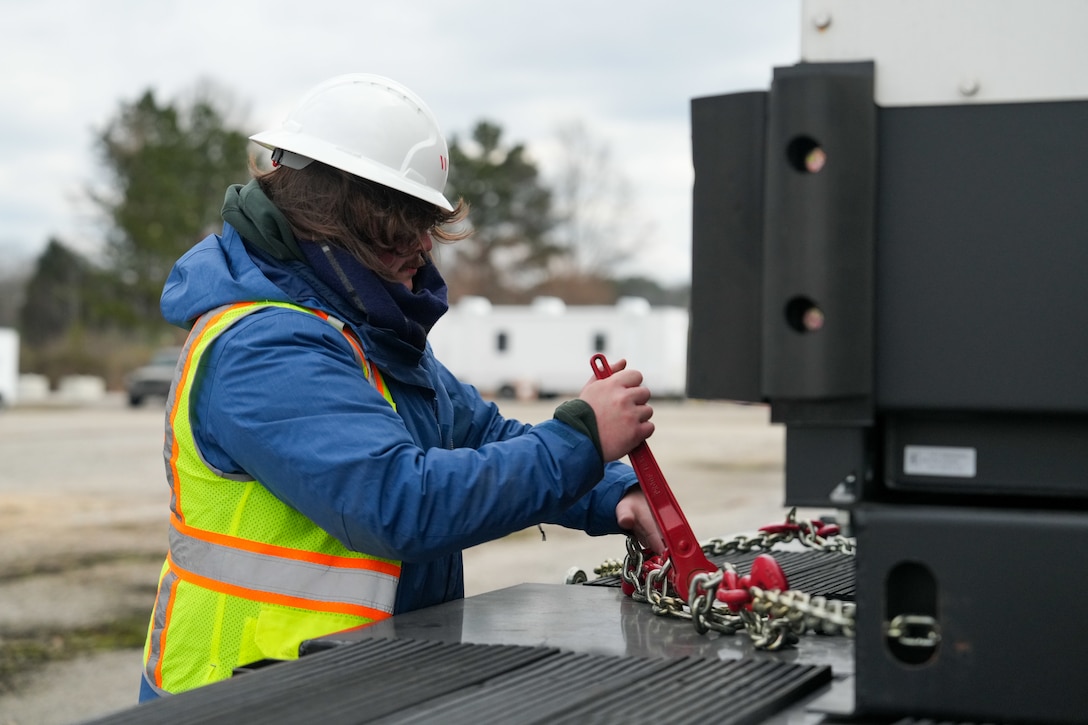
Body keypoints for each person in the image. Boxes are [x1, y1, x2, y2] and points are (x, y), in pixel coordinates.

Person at [139, 73, 662, 701]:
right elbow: (399, 504)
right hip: (245, 698)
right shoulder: (265, 347)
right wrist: (581, 438)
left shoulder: (362, 332)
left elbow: (483, 433)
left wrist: (614, 495)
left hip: (351, 685)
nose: (421, 250)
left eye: (424, 224)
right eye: (401, 227)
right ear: (331, 217)